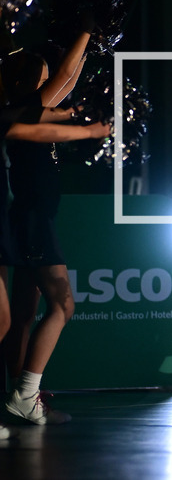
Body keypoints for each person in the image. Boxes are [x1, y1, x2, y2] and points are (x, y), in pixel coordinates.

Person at [0, 45, 110, 431]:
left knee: (22, 317)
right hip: (32, 221)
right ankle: (25, 395)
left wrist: (90, 47)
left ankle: (20, 394)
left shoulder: (29, 111)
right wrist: (86, 29)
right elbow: (62, 84)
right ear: (27, 84)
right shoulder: (18, 114)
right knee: (62, 305)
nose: (52, 86)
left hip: (31, 218)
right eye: (43, 80)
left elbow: (67, 82)